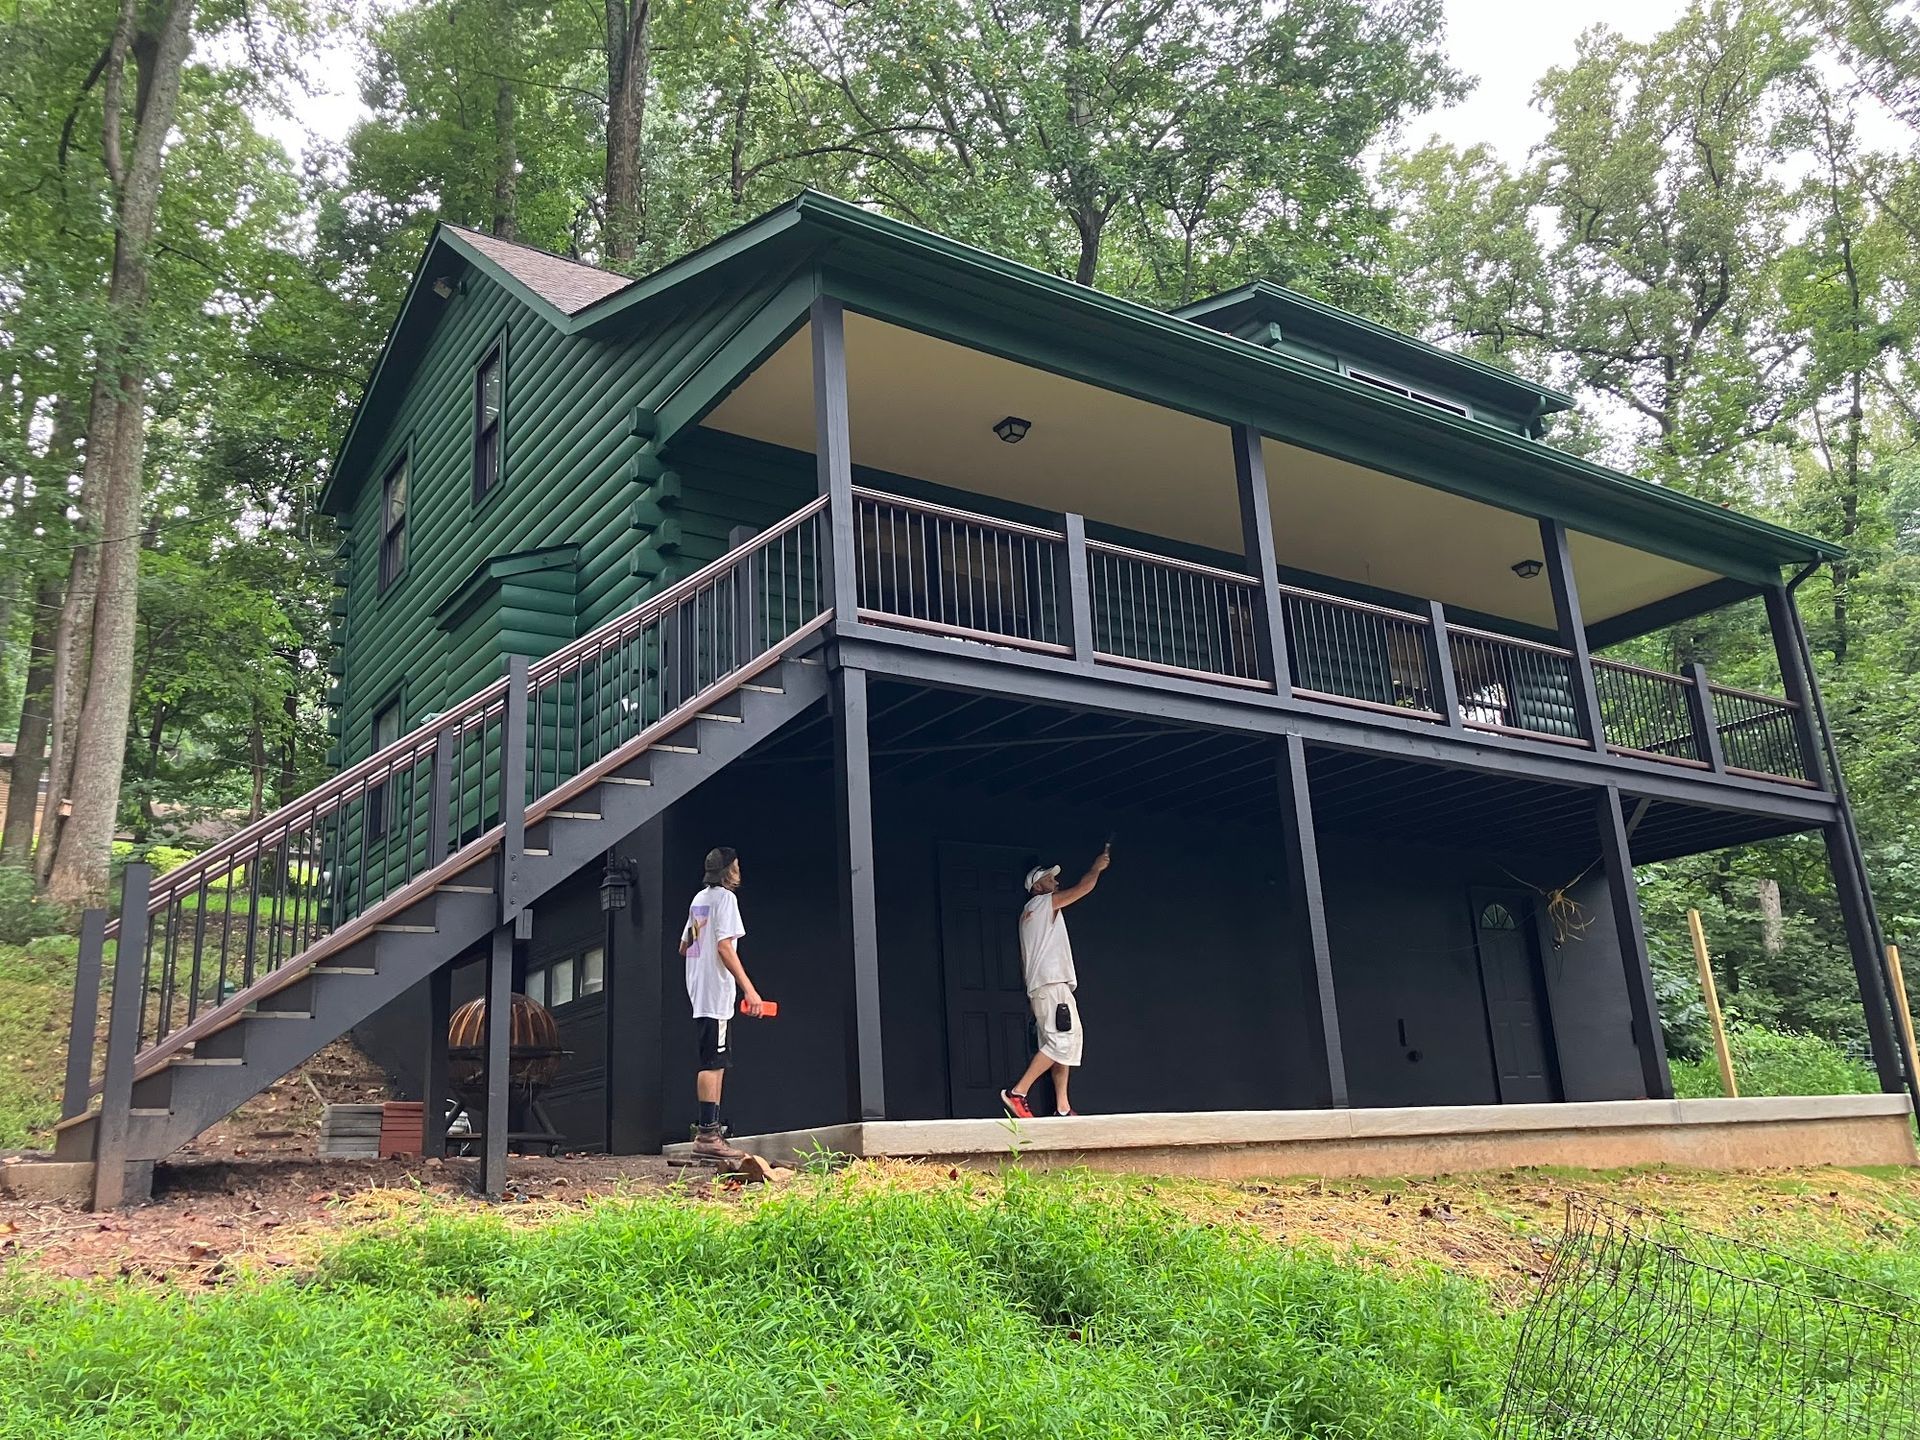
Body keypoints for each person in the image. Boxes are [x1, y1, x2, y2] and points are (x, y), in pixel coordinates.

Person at [1001, 845, 1110, 1119]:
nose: (1056, 882)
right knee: (1062, 1041)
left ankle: (1062, 1107)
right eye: (1051, 878)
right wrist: (1097, 866)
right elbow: (1083, 888)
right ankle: (1018, 1093)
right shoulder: (1041, 903)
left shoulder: (1030, 912)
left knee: (1060, 1043)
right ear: (1037, 886)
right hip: (1052, 985)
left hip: (1043, 987)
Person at [679, 846, 767, 1161]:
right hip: (716, 992)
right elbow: (725, 948)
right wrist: (750, 990)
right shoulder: (725, 900)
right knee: (713, 1064)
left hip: (700, 989)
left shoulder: (699, 900)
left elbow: (684, 945)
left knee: (712, 1060)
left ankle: (710, 1132)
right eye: (737, 866)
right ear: (729, 870)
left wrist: (698, 972)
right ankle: (707, 1135)